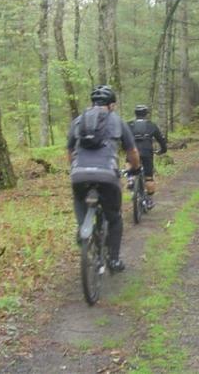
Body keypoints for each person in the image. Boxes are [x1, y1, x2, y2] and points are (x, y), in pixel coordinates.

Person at [67, 85, 140, 273]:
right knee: (114, 218)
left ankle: (83, 227)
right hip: (107, 175)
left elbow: (70, 151)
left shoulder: (78, 121)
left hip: (79, 173)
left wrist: (76, 169)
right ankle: (114, 260)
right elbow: (132, 151)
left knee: (78, 198)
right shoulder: (118, 121)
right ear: (112, 105)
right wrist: (134, 167)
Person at [127, 105, 167, 209]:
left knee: (129, 162)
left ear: (135, 114)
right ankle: (149, 200)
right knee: (149, 177)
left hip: (133, 150)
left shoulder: (129, 124)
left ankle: (130, 178)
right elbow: (161, 140)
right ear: (146, 114)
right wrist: (163, 150)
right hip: (146, 151)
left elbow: (122, 137)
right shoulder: (151, 125)